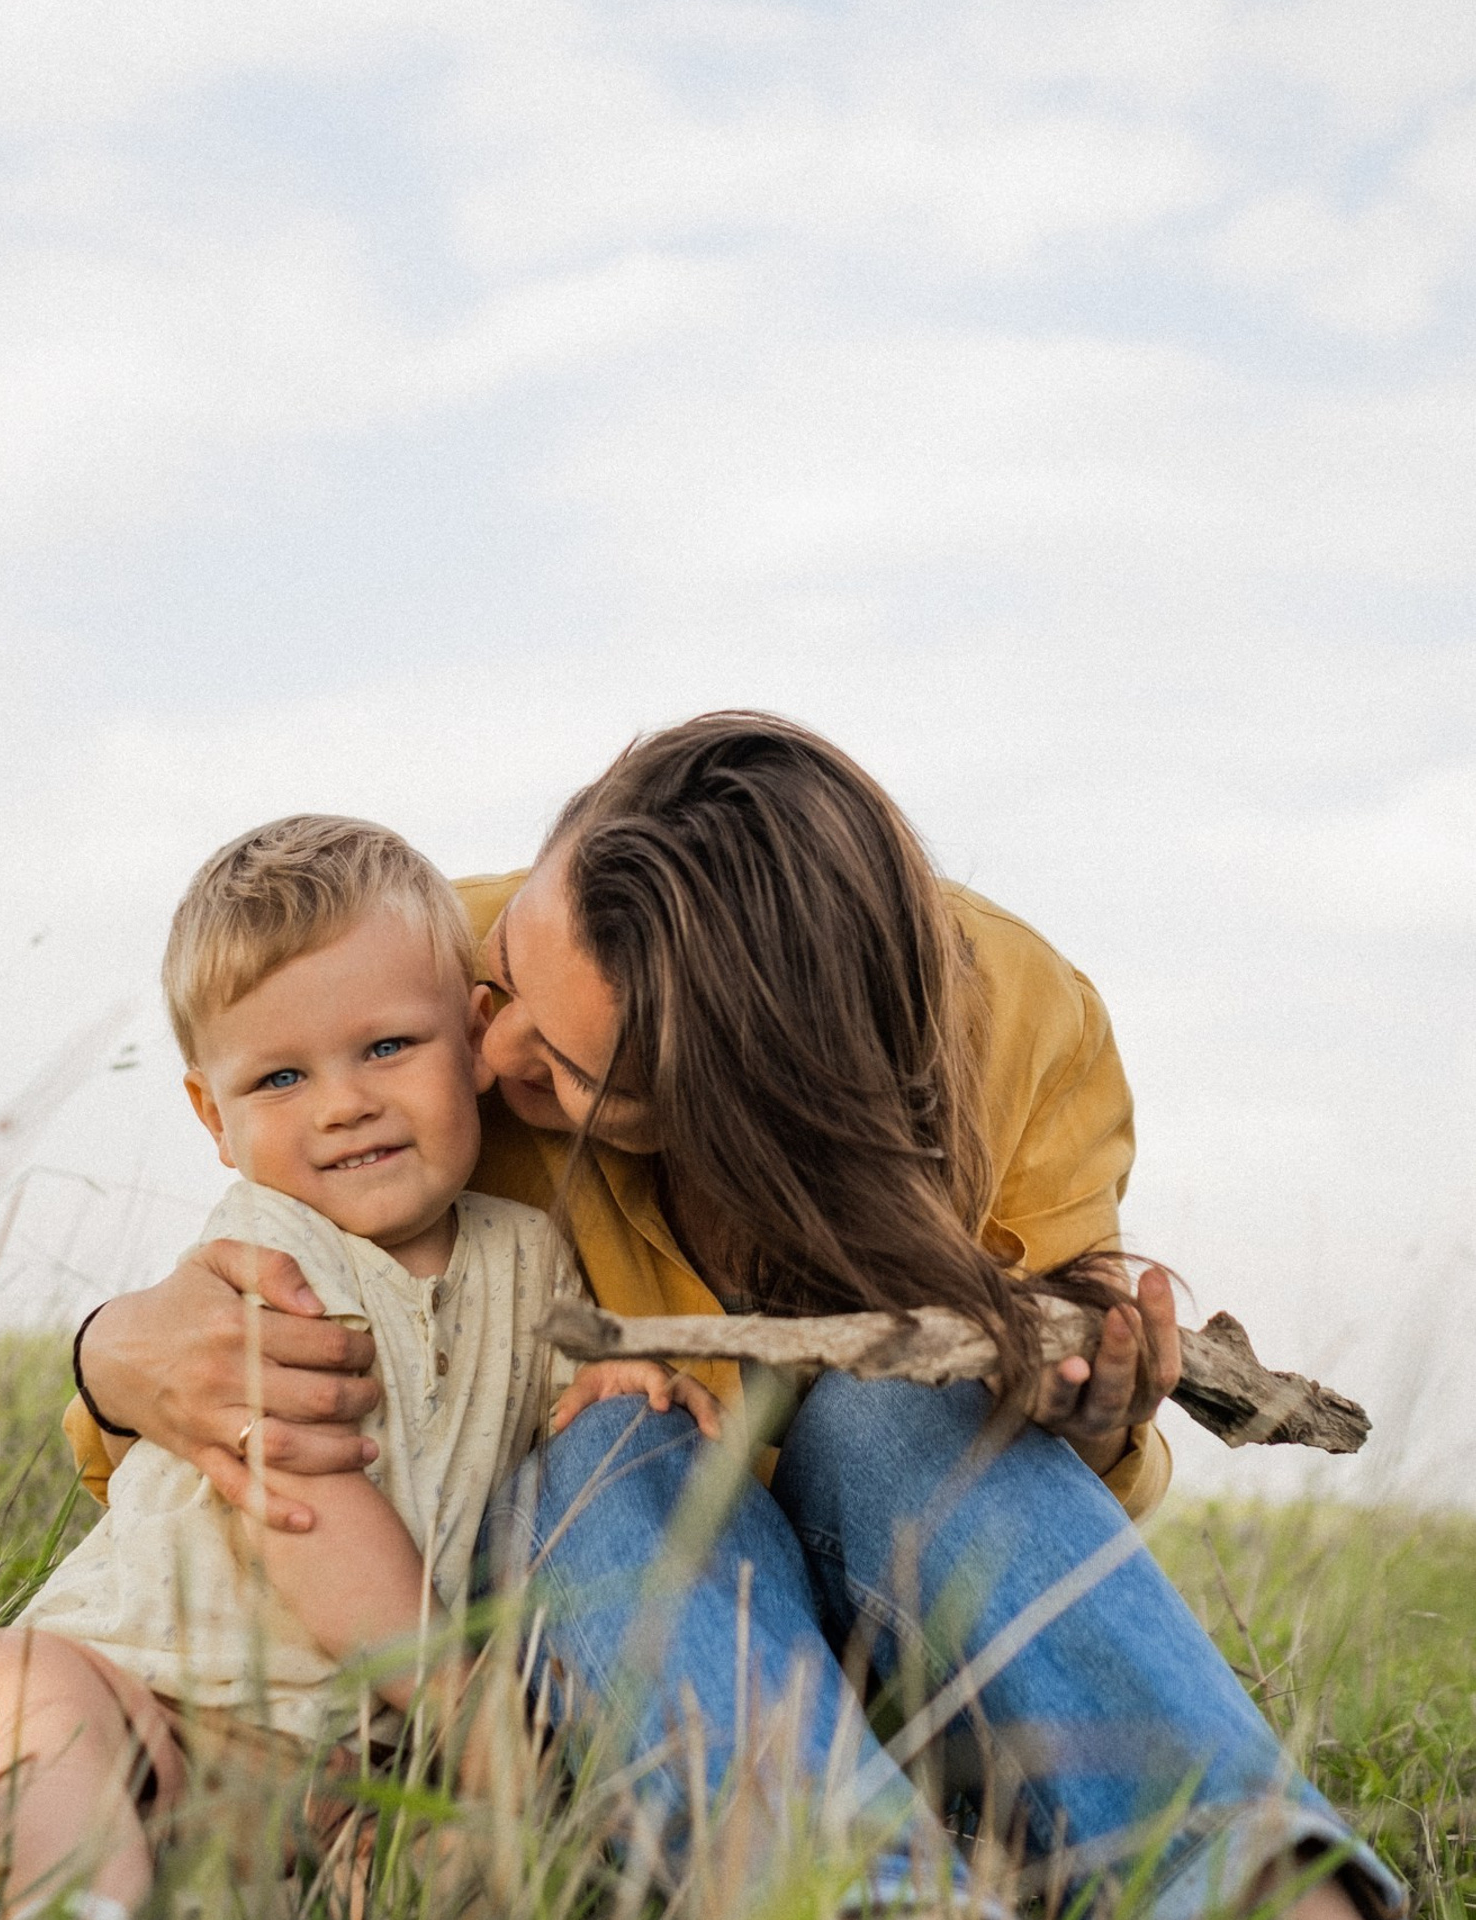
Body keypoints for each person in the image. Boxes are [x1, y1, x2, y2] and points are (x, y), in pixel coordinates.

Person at [68, 715, 1405, 1917]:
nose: (489, 1052)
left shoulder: (1022, 1029)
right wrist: (113, 1357)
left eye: (578, 1071)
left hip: (897, 1642)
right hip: (641, 1655)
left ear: (747, 1114)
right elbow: (228, 1375)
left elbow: (1042, 1521)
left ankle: (1259, 1894)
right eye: (508, 977)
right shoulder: (414, 986)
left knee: (899, 1408)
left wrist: (1089, 1405)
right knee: (595, 1457)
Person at [0, 815, 722, 1919]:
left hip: (349, 1775)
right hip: (158, 1706)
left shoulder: (532, 1255)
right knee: (0, 1689)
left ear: (475, 1037)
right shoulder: (272, 1251)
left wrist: (609, 1390)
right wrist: (459, 1703)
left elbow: (555, 1427)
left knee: (474, 1862)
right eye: (282, 1077)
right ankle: (70, 1899)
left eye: (387, 1047)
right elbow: (301, 1495)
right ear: (215, 1115)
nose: (343, 1103)